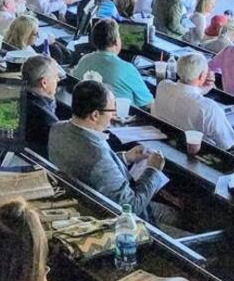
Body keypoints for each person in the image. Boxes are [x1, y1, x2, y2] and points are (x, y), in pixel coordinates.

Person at [49, 80, 168, 220]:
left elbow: (90, 170)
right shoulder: (98, 157)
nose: (113, 115)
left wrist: (124, 157)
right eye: (111, 110)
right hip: (118, 220)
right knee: (178, 216)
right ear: (95, 115)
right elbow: (131, 207)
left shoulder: (57, 129)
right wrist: (153, 171)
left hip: (82, 201)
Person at [152, 53, 234, 151]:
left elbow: (184, 94)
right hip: (198, 153)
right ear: (201, 76)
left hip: (167, 144)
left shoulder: (163, 86)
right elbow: (230, 144)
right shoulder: (209, 108)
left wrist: (202, 89)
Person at [71, 18, 153, 109]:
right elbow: (149, 103)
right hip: (121, 120)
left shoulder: (84, 60)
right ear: (115, 41)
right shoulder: (127, 69)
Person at [22, 55, 61, 145]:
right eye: (55, 76)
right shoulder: (47, 120)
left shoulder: (14, 96)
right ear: (44, 83)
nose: (58, 79)